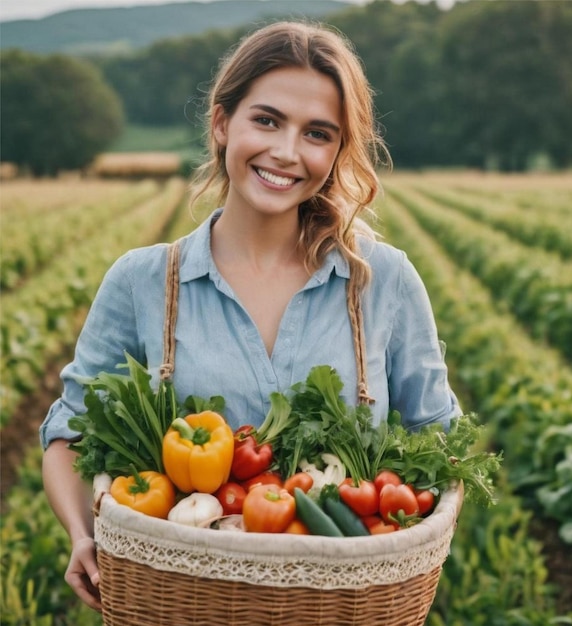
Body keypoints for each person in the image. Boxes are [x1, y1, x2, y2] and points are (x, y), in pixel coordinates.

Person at [40, 20, 461, 611]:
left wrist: (412, 542)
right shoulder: (142, 281)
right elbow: (68, 430)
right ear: (221, 123)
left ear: (337, 151)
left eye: (317, 133)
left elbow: (438, 442)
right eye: (266, 120)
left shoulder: (382, 281)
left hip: (341, 609)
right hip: (182, 604)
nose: (286, 152)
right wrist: (84, 535)